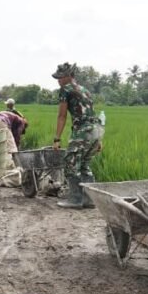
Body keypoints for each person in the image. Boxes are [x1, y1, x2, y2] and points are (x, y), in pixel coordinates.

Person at [51, 62, 103, 209]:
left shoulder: (65, 90)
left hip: (82, 130)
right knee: (85, 164)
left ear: (69, 76)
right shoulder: (85, 90)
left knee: (70, 162)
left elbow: (62, 116)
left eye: (60, 77)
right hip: (95, 130)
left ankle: (75, 199)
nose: (58, 80)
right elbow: (92, 113)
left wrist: (57, 139)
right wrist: (99, 138)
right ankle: (89, 199)